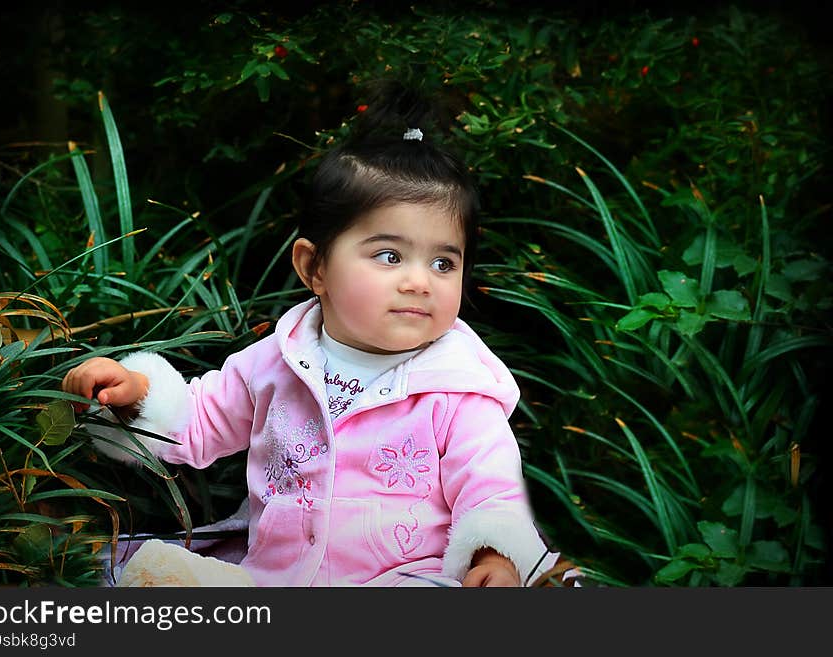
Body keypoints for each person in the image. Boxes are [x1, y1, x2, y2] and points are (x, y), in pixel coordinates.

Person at [62, 82, 560, 587]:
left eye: (443, 262)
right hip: (274, 579)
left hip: (405, 580)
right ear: (314, 267)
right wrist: (136, 395)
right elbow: (199, 420)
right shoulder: (280, 360)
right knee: (165, 579)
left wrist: (496, 555)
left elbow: (491, 487)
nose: (419, 281)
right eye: (389, 256)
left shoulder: (458, 387)